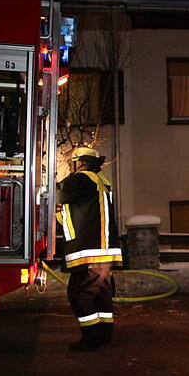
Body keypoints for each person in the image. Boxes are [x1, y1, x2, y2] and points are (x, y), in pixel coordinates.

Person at [56, 146, 123, 351]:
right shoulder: (100, 180)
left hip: (88, 250)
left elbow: (56, 194)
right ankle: (104, 336)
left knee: (80, 293)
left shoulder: (81, 179)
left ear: (79, 162)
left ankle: (92, 338)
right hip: (103, 250)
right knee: (101, 293)